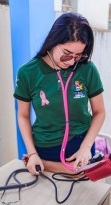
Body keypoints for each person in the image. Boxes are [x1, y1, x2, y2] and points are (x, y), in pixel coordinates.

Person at [13, 12, 105, 175]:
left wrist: (85, 147)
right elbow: (23, 116)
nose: (71, 61)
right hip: (45, 147)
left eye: (78, 56)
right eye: (66, 54)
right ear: (53, 42)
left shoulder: (87, 69)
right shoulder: (28, 72)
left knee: (83, 194)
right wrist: (33, 153)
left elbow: (99, 112)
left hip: (81, 144)